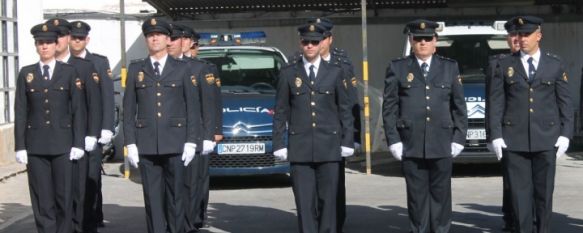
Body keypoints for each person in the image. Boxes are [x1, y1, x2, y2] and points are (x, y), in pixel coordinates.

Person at [488, 16, 573, 233]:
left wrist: (566, 134)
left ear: (539, 35)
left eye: (527, 34)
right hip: (514, 141)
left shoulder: (554, 64)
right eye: (519, 34)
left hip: (546, 139)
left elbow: (565, 101)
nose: (522, 39)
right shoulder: (504, 64)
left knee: (543, 194)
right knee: (519, 196)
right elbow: (496, 102)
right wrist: (496, 135)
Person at [382, 19, 467, 233]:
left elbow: (459, 107)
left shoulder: (449, 67)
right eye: (418, 38)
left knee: (441, 197)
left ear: (435, 41)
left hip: (442, 143)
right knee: (417, 198)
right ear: (411, 40)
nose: (423, 42)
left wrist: (458, 138)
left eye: (427, 38)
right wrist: (394, 140)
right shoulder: (398, 68)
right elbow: (390, 107)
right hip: (411, 143)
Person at [273, 23, 354, 233]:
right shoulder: (289, 72)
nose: (309, 46)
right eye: (305, 42)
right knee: (304, 203)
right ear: (300, 43)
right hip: (300, 148)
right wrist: (279, 143)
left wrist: (347, 140)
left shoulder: (336, 72)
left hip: (329, 147)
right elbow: (281, 110)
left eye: (314, 42)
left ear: (322, 44)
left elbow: (345, 109)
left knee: (329, 202)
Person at [123, 17, 202, 233]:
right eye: (150, 35)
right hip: (147, 144)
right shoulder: (136, 69)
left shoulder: (183, 68)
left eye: (158, 34)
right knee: (152, 199)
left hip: (176, 143)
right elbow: (129, 109)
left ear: (168, 39)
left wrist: (191, 142)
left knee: (177, 197)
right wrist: (130, 142)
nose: (154, 38)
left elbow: (192, 109)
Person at [14, 22, 87, 233]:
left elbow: (78, 110)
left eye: (48, 43)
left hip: (63, 145)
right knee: (42, 198)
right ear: (36, 46)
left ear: (56, 45)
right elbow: (21, 110)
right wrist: (20, 145)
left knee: (64, 197)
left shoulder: (69, 72)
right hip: (36, 146)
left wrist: (78, 142)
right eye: (40, 43)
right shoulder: (26, 74)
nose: (44, 47)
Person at [46, 17, 103, 233]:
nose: (57, 41)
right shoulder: (44, 70)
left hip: (79, 140)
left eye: (60, 36)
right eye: (53, 37)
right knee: (56, 194)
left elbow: (94, 103)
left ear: (68, 38)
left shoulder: (84, 67)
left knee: (80, 194)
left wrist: (92, 134)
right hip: (54, 140)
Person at [307, 17, 360, 233]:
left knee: (334, 183)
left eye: (322, 37)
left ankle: (335, 223)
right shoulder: (299, 61)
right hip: (309, 134)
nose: (316, 42)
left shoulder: (342, 63)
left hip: (335, 133)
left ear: (329, 39)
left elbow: (351, 101)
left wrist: (354, 136)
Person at [167, 23, 217, 233]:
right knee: (169, 184)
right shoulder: (157, 68)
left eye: (177, 39)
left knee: (191, 183)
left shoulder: (198, 68)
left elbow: (210, 104)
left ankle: (189, 222)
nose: (170, 43)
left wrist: (209, 134)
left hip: (193, 134)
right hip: (168, 134)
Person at [69, 20, 115, 232]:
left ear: (87, 40)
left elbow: (106, 96)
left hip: (93, 131)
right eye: (73, 37)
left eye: (81, 38)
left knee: (92, 176)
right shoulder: (64, 62)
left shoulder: (98, 62)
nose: (76, 41)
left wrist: (107, 127)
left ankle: (93, 216)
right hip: (71, 132)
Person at [485, 18, 521, 233]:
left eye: (521, 35)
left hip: (533, 131)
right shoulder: (498, 63)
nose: (517, 39)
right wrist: (492, 133)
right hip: (508, 130)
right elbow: (492, 100)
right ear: (507, 39)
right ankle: (511, 218)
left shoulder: (543, 62)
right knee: (511, 180)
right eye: (513, 36)